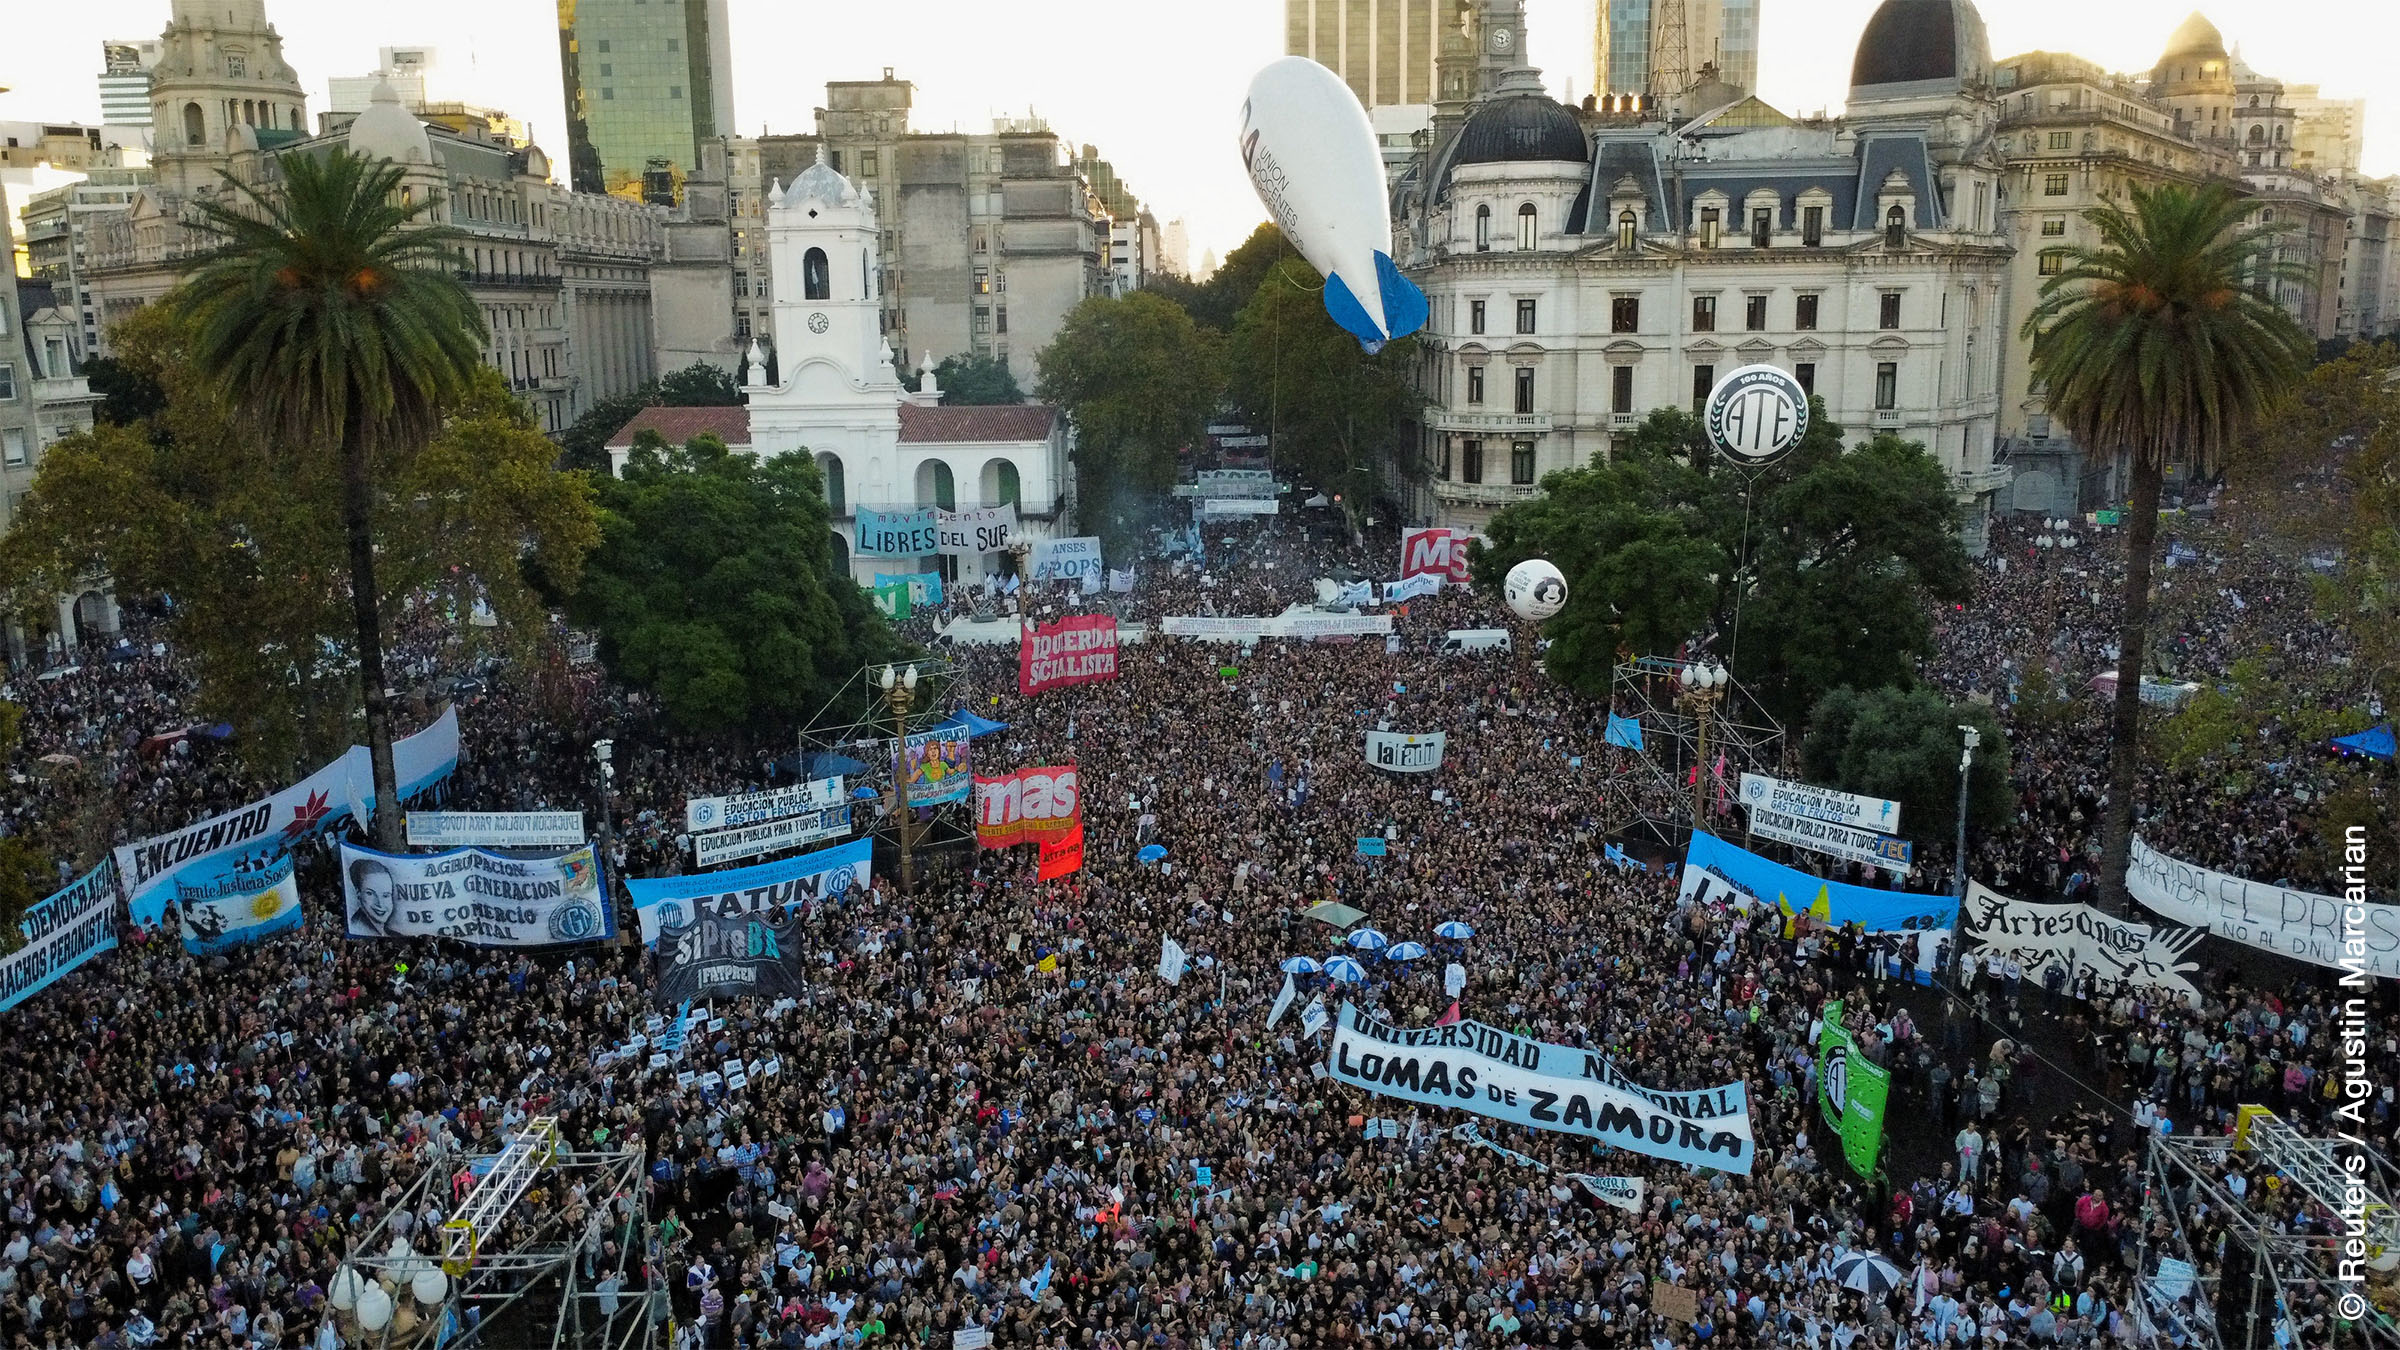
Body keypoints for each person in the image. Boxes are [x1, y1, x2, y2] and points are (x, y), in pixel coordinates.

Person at [346, 856, 402, 937]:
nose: (380, 903)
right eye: (370, 893)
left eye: (386, 895)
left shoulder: (393, 935)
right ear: (358, 893)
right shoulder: (356, 928)